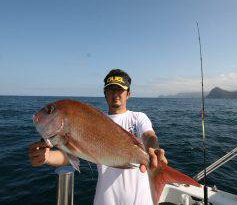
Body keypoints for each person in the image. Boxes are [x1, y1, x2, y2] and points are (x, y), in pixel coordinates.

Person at [29, 69, 167, 205]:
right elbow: (68, 156)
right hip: (105, 200)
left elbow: (149, 135)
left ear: (128, 94)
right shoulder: (95, 121)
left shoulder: (138, 118)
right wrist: (46, 157)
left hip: (140, 201)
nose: (115, 94)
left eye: (120, 89)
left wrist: (153, 150)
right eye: (110, 89)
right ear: (105, 94)